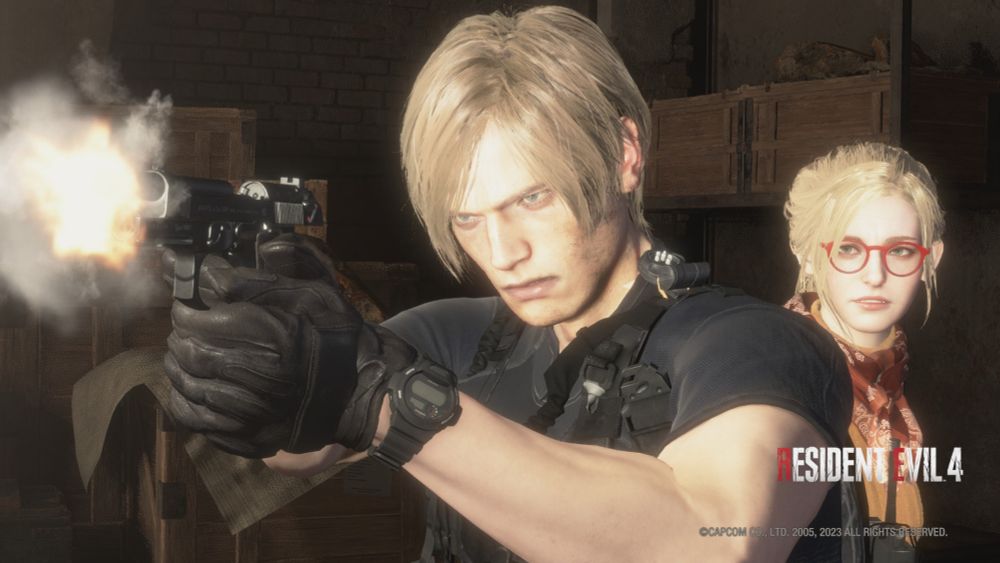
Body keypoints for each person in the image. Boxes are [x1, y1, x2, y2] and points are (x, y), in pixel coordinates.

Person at [162, 6, 853, 562]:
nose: (503, 253)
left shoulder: (759, 347)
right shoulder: (461, 336)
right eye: (468, 218)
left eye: (533, 199)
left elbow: (717, 539)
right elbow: (307, 444)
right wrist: (269, 359)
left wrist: (387, 405)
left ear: (624, 155)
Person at [783, 142, 945, 539]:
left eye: (901, 250)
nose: (875, 275)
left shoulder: (893, 381)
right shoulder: (776, 374)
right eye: (849, 248)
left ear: (930, 260)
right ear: (805, 254)